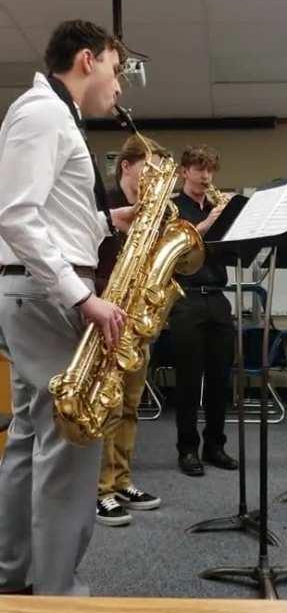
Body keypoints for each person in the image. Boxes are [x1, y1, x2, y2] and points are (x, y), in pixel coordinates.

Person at [0, 19, 138, 595]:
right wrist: (84, 296)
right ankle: (56, 596)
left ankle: (14, 579)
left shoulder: (54, 115)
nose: (119, 85)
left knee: (30, 439)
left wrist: (110, 220)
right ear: (87, 59)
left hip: (35, 292)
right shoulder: (42, 113)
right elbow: (15, 215)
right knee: (73, 441)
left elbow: (50, 216)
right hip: (50, 297)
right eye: (116, 68)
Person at [95, 135, 166, 525]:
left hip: (135, 318)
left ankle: (122, 480)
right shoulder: (100, 202)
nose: (154, 179)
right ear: (126, 165)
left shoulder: (152, 211)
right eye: (148, 170)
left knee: (130, 407)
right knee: (107, 405)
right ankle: (100, 489)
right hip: (105, 311)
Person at [169, 145, 238, 476]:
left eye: (210, 169)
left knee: (220, 379)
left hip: (218, 297)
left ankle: (215, 445)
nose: (206, 176)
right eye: (199, 169)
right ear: (184, 172)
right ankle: (187, 449)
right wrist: (210, 221)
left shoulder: (216, 207)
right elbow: (178, 249)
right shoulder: (171, 208)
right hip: (187, 298)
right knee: (188, 379)